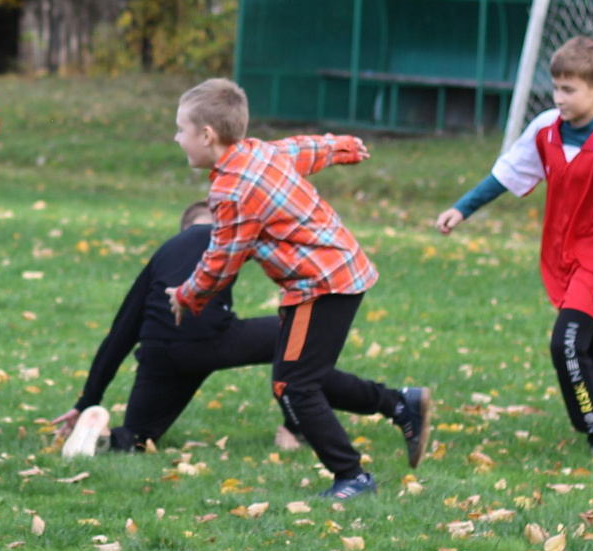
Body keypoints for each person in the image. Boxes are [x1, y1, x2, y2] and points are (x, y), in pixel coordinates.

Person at [166, 78, 420, 501]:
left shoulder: (231, 190)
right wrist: (341, 147)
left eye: (180, 130)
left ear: (206, 135)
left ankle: (352, 476)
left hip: (320, 285)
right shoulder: (257, 153)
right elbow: (302, 148)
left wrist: (186, 295)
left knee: (293, 385)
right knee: (306, 375)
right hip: (336, 273)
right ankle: (399, 404)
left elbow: (222, 261)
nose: (177, 138)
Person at [434, 34, 593, 457]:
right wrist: (462, 208)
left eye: (569, 89)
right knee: (590, 346)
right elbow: (508, 173)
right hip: (562, 256)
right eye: (556, 87)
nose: (559, 98)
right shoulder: (546, 129)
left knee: (565, 345)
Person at [52, 201, 429, 461]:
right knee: (295, 348)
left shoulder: (164, 252)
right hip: (211, 338)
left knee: (138, 437)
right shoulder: (225, 237)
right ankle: (393, 403)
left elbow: (119, 334)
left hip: (160, 350)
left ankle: (104, 438)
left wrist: (86, 400)